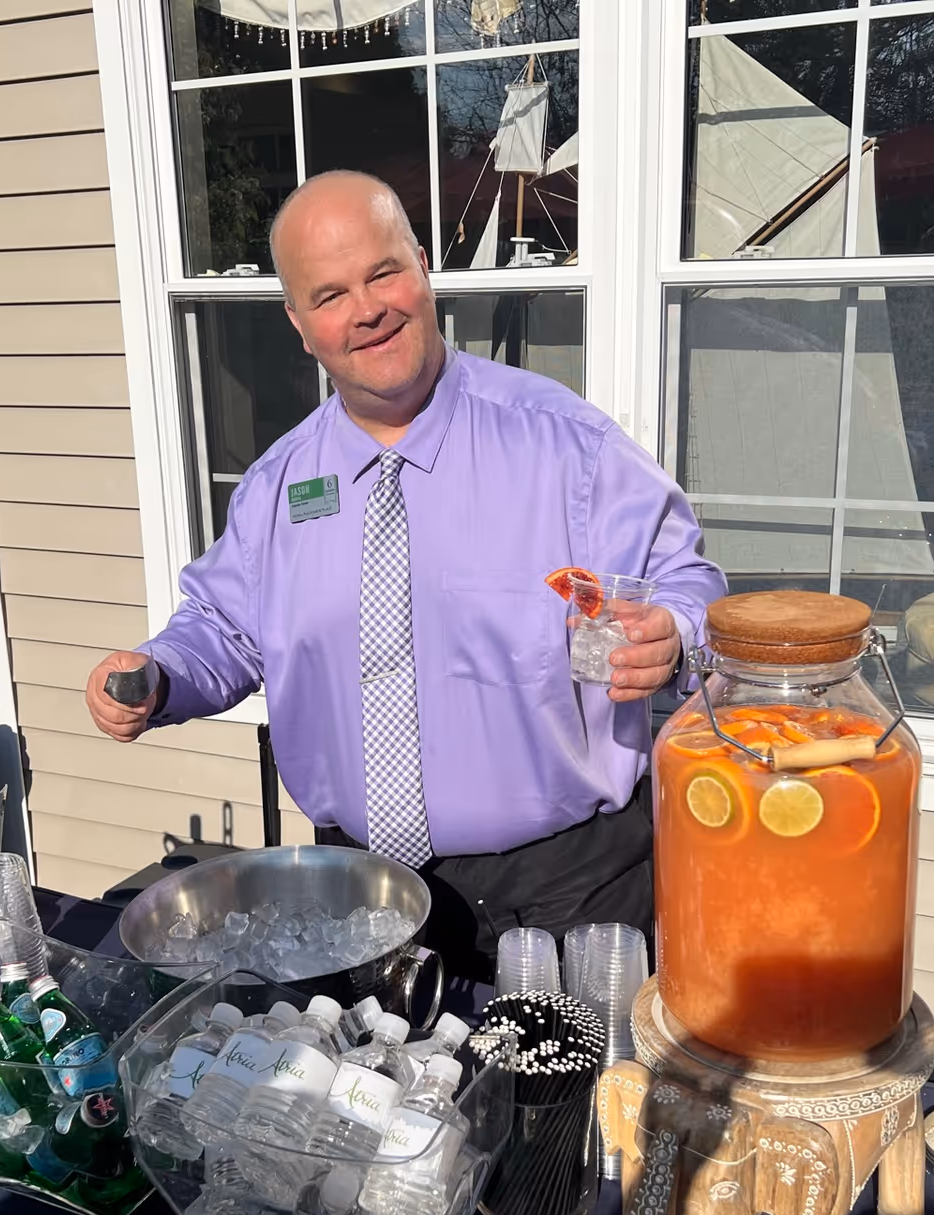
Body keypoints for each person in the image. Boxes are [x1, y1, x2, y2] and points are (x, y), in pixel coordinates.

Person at [86, 171, 724, 975]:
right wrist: (156, 675)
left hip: (566, 897)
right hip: (356, 897)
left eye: (383, 273)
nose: (367, 310)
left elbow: (688, 584)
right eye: (330, 295)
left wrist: (674, 633)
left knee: (583, 1068)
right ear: (299, 323)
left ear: (423, 269)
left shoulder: (570, 448)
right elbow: (224, 631)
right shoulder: (279, 485)